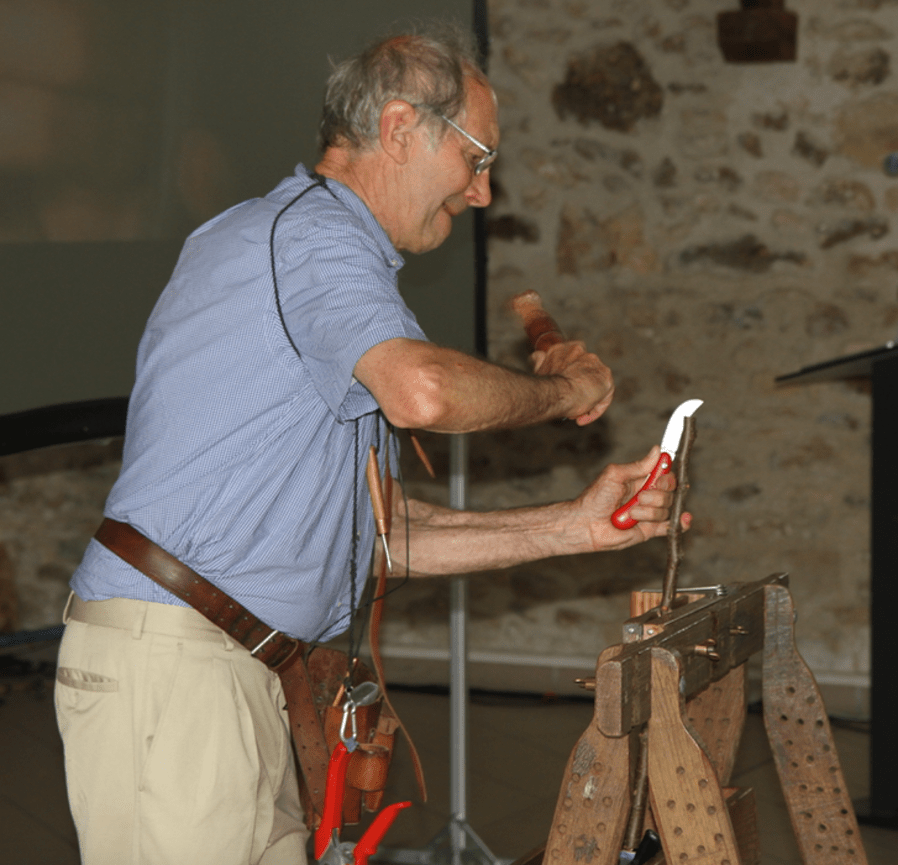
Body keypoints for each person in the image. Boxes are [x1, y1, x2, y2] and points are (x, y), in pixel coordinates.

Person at [54, 26, 687, 865]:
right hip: (175, 666)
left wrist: (577, 524)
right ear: (398, 128)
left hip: (230, 673)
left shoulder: (329, 263)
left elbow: (380, 535)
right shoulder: (312, 236)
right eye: (475, 158)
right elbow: (424, 393)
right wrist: (566, 392)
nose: (482, 192)